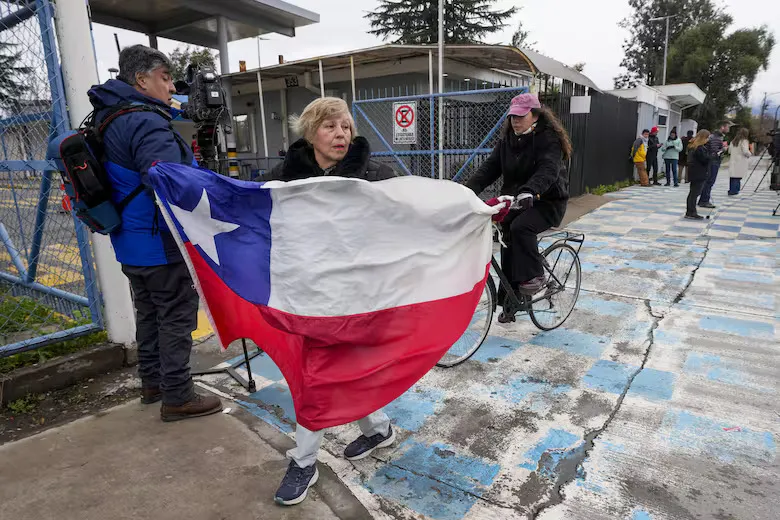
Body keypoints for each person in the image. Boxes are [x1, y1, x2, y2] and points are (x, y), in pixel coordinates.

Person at [267, 97, 398, 506]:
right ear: (310, 133)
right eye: (330, 127)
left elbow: (411, 215)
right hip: (307, 295)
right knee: (342, 371)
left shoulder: (375, 174)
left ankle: (303, 460)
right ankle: (379, 429)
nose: (341, 134)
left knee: (318, 376)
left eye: (345, 127)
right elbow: (252, 210)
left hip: (357, 296)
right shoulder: (286, 177)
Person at [88, 45, 222, 421]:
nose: (170, 87)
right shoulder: (145, 120)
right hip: (158, 238)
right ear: (141, 80)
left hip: (130, 241)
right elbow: (164, 177)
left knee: (149, 313)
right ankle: (178, 396)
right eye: (164, 78)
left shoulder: (109, 115)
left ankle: (153, 384)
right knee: (177, 315)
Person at [465, 93, 570, 319]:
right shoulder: (507, 141)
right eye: (513, 115)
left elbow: (548, 170)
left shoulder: (548, 140)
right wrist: (465, 191)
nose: (515, 120)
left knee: (521, 228)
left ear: (535, 116)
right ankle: (510, 302)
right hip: (515, 202)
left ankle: (535, 275)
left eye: (521, 115)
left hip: (547, 201)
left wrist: (530, 190)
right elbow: (489, 169)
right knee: (506, 240)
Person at [699, 120, 730, 208]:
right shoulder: (716, 137)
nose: (728, 129)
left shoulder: (717, 137)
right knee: (710, 181)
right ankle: (704, 200)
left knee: (709, 181)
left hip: (713, 161)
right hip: (713, 162)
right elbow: (714, 151)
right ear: (722, 127)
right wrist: (723, 149)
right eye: (727, 127)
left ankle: (703, 199)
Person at [685, 130, 711, 220]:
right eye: (707, 138)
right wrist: (712, 156)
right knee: (695, 193)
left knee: (693, 193)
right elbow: (704, 160)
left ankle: (690, 211)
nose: (708, 140)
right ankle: (691, 212)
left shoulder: (692, 146)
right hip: (699, 172)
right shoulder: (699, 148)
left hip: (694, 172)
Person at [728, 127, 752, 195]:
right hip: (740, 160)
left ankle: (731, 189)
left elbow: (729, 151)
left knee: (733, 176)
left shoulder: (733, 141)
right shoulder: (744, 141)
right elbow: (745, 151)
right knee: (738, 176)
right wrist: (749, 154)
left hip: (733, 160)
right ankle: (735, 190)